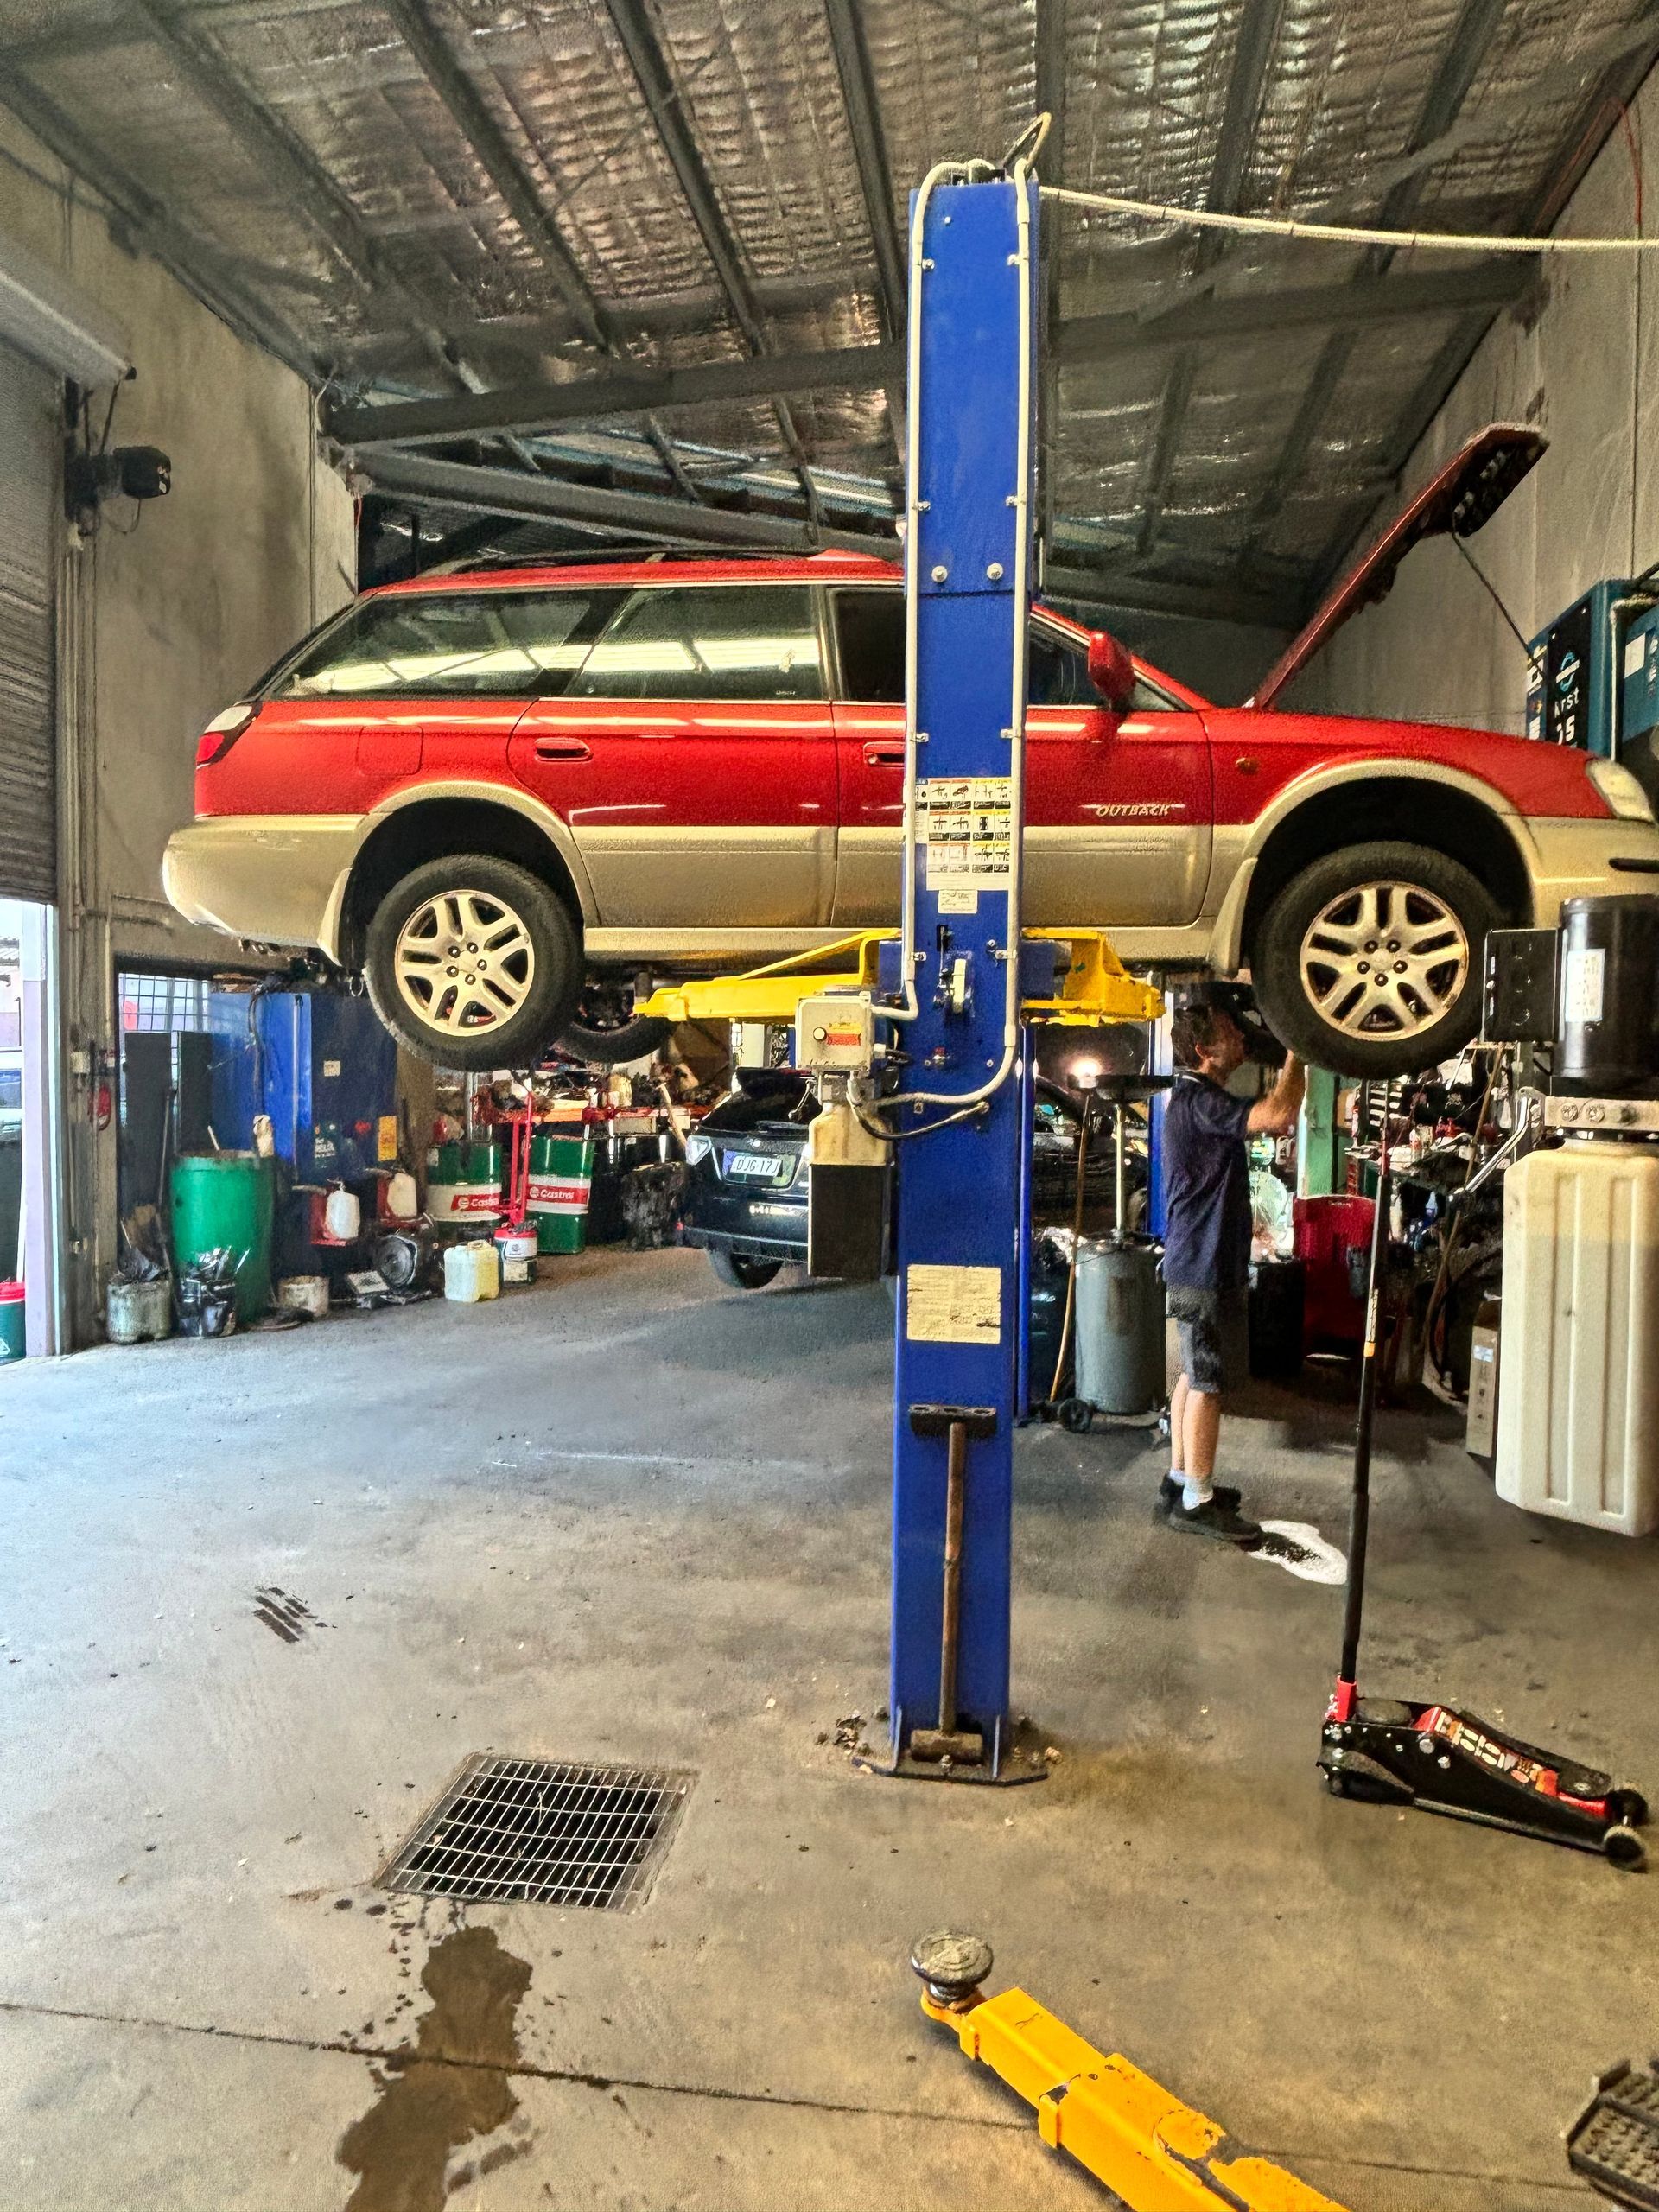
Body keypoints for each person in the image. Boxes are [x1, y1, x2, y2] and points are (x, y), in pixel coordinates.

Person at [1158, 1002, 1304, 1542]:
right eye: (1229, 1031)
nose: (1241, 1036)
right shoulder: (1201, 1101)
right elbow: (1277, 1116)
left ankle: (1181, 1478)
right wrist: (1300, 1049)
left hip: (1192, 1260)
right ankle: (1199, 1498)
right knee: (1209, 1381)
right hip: (1204, 1264)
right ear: (1204, 1051)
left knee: (1192, 1374)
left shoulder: (1194, 1099)